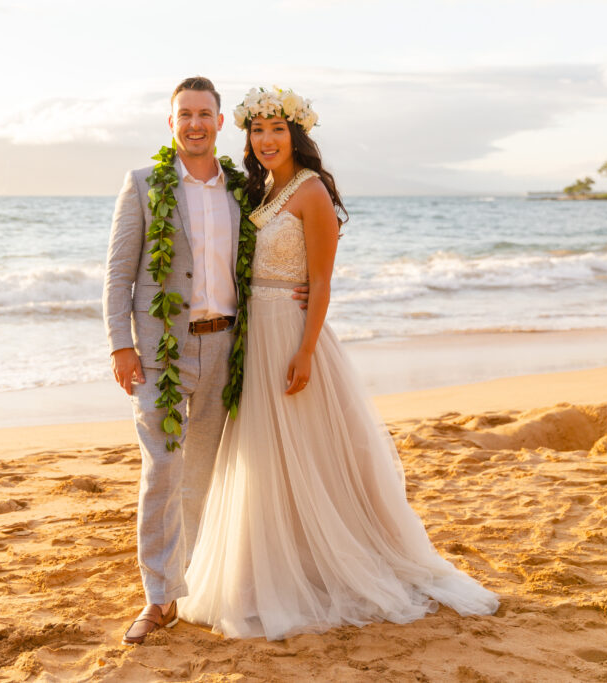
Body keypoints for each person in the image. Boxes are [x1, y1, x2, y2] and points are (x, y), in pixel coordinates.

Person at [179, 87, 500, 640]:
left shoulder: (311, 192)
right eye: (257, 131)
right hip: (253, 335)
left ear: (297, 134)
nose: (266, 140)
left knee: (306, 454)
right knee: (264, 455)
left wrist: (304, 350)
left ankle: (323, 566)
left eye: (277, 129)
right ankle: (270, 566)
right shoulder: (256, 193)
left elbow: (323, 280)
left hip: (291, 338)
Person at [102, 77, 307, 645]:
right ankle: (158, 598)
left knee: (203, 475)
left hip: (225, 345)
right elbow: (119, 272)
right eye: (184, 114)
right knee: (161, 471)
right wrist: (121, 344)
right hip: (160, 350)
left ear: (220, 123)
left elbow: (278, 247)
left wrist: (294, 294)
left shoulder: (243, 189)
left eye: (204, 114)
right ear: (171, 123)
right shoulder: (144, 184)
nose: (195, 123)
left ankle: (197, 586)